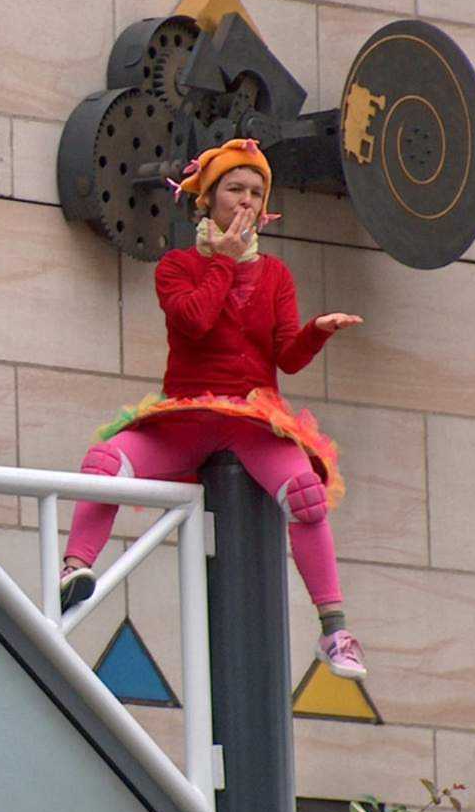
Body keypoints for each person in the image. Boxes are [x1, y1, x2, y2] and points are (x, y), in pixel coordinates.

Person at [60, 139, 368, 680]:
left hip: (251, 420)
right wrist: (223, 261)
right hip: (187, 415)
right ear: (206, 199)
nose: (246, 201)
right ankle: (74, 570)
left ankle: (334, 630)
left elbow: (287, 359)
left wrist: (316, 333)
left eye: (256, 193)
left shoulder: (276, 275)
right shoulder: (176, 266)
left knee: (305, 494)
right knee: (105, 461)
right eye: (235, 190)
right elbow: (194, 322)